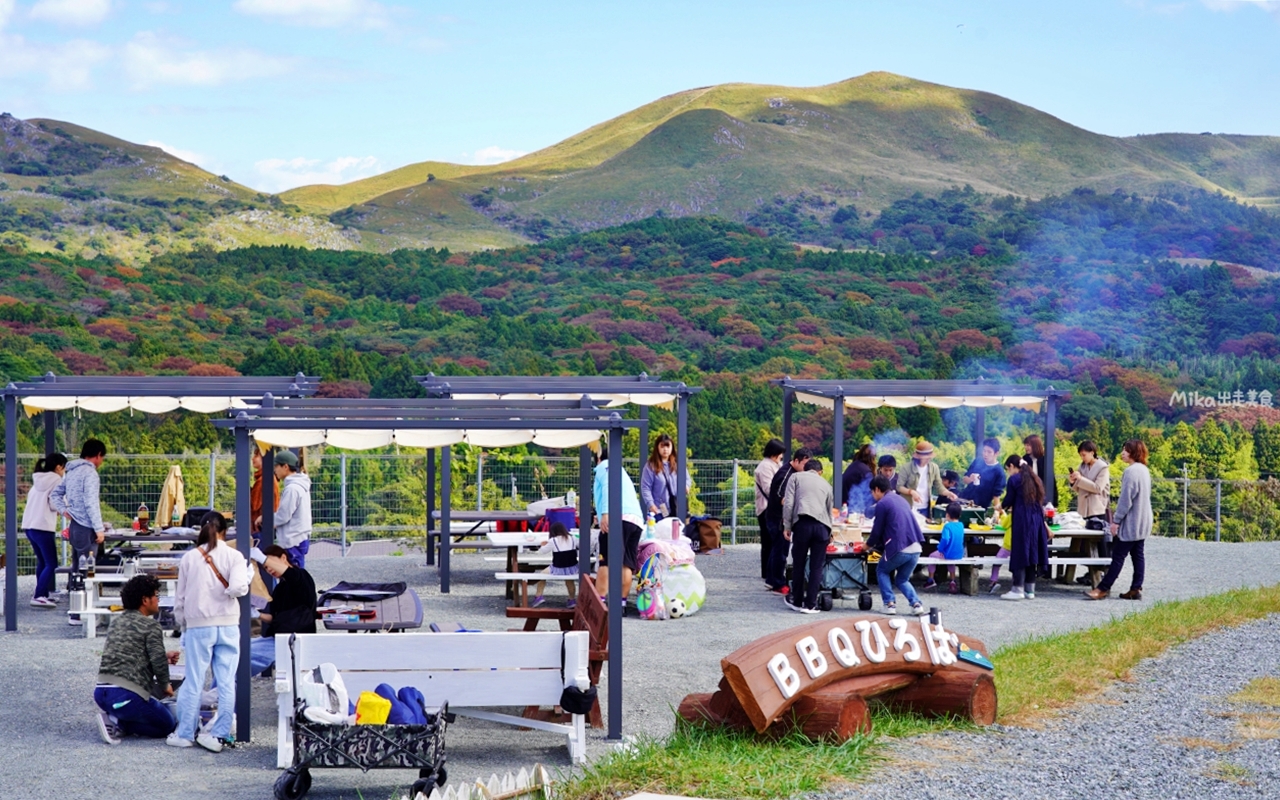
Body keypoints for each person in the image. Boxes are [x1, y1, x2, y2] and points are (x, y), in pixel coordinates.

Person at [170, 512, 249, 752]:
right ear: (225, 531)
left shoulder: (189, 558)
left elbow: (180, 599)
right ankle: (219, 735)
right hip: (228, 623)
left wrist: (183, 623)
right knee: (226, 681)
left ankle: (185, 733)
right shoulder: (235, 556)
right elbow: (238, 587)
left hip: (198, 625)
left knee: (194, 679)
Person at [93, 574, 180, 745]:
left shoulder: (117, 622)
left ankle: (114, 716)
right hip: (125, 696)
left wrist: (164, 656)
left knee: (151, 712)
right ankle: (120, 723)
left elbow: (128, 654)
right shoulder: (151, 626)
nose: (158, 600)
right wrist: (166, 686)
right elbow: (157, 662)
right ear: (145, 600)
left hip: (101, 693)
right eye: (156, 595)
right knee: (167, 725)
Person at [1087, 440, 1152, 601]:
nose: (1123, 453)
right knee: (1138, 555)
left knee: (1118, 555)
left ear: (1134, 452)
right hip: (1144, 519)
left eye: (1126, 450)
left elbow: (1125, 500)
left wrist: (1116, 521)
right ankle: (1135, 588)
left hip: (1132, 521)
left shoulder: (1131, 472)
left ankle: (1102, 588)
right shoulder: (1144, 470)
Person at [51, 439, 107, 625]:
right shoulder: (90, 473)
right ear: (98, 455)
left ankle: (75, 611)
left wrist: (64, 511)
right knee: (87, 571)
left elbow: (55, 494)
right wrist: (99, 529)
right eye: (102, 458)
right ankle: (82, 613)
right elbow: (91, 503)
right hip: (86, 526)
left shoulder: (71, 472)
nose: (101, 462)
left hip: (74, 526)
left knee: (76, 568)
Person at [249, 544, 317, 676]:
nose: (269, 569)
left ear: (283, 557)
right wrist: (257, 615)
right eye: (266, 568)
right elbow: (276, 618)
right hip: (278, 638)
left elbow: (292, 575)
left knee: (241, 656)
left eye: (270, 563)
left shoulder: (302, 576)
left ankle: (220, 692)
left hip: (295, 639)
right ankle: (219, 692)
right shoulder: (280, 588)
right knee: (236, 651)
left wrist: (263, 559)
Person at [592, 445, 644, 607]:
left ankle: (598, 604)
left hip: (617, 517)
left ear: (598, 458)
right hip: (635, 520)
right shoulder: (621, 470)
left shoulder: (604, 466)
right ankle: (621, 604)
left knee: (606, 561)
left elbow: (609, 485)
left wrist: (606, 513)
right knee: (626, 563)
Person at [867, 476, 927, 616]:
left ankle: (889, 604)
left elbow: (877, 530)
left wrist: (867, 545)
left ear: (877, 489)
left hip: (899, 547)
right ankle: (916, 604)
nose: (872, 495)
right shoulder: (901, 499)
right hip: (916, 547)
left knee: (882, 570)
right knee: (902, 579)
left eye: (872, 492)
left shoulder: (883, 503)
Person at [782, 459, 834, 614]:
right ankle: (811, 604)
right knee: (816, 567)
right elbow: (829, 511)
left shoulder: (796, 477)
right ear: (820, 472)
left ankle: (797, 601)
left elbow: (789, 504)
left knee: (798, 563)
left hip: (803, 524)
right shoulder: (826, 484)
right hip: (822, 528)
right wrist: (830, 532)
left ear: (805, 469)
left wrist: (787, 526)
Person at [998, 456, 1050, 601]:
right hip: (1037, 519)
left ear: (1012, 466)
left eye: (1008, 469)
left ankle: (1017, 589)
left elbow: (1008, 499)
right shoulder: (1035, 478)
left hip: (1022, 519)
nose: (1009, 472)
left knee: (1021, 551)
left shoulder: (1014, 480)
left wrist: (1000, 506)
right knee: (1032, 552)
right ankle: (1030, 590)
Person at [22, 452, 67, 608]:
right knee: (51, 563)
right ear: (58, 467)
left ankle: (43, 594)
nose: (64, 472)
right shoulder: (56, 481)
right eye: (64, 469)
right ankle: (39, 595)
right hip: (43, 527)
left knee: (42, 562)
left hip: (29, 526)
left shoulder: (38, 479)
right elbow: (55, 504)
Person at [764, 447, 811, 594]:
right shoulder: (786, 475)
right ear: (796, 461)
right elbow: (781, 498)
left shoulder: (792, 472)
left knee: (777, 549)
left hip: (777, 517)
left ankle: (772, 580)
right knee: (780, 551)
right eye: (804, 465)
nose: (806, 469)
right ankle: (778, 583)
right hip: (778, 518)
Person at [271, 450, 312, 569]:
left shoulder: (292, 489)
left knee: (293, 578)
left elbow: (283, 516)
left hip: (293, 540)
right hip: (300, 538)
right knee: (297, 576)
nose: (274, 470)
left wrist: (266, 520)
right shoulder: (301, 485)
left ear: (285, 467)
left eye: (276, 466)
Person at [987, 456, 1021, 594]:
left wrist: (1000, 513)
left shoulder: (1011, 516)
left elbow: (1004, 524)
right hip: (1018, 545)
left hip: (1007, 545)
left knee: (997, 562)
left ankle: (993, 581)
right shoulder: (1017, 515)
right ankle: (1015, 584)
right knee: (1016, 566)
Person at [754, 438, 786, 582]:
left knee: (770, 542)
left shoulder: (774, 464)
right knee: (769, 542)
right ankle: (767, 573)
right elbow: (769, 489)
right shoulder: (765, 467)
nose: (782, 456)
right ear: (774, 452)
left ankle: (769, 572)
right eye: (780, 453)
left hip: (768, 507)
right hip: (767, 508)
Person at [640, 433, 692, 522]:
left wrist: (686, 486)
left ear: (672, 447)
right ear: (657, 447)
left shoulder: (677, 464)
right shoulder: (650, 466)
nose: (665, 449)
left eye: (668, 446)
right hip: (660, 510)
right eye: (662, 446)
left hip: (677, 508)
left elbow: (687, 479)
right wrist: (651, 505)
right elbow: (645, 487)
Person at [897, 441, 957, 516]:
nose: (928, 459)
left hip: (925, 508)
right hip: (908, 507)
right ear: (918, 457)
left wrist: (949, 493)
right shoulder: (906, 468)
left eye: (930, 457)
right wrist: (911, 492)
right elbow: (899, 487)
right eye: (926, 458)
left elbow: (939, 486)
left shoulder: (934, 468)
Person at [532, 522, 578, 608]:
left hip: (558, 568)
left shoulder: (553, 541)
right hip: (573, 568)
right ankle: (572, 599)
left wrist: (542, 545)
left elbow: (543, 551)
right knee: (570, 581)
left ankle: (538, 596)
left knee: (542, 575)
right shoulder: (573, 538)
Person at [924, 502, 965, 593]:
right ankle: (953, 581)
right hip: (959, 554)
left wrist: (940, 548)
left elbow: (945, 539)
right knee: (951, 562)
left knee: (931, 556)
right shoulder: (961, 525)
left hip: (947, 553)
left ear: (947, 515)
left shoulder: (947, 526)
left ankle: (930, 579)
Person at [960, 438, 1007, 509]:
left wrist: (997, 513)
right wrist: (970, 479)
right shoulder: (978, 461)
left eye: (989, 452)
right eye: (984, 451)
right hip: (963, 501)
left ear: (996, 453)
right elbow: (964, 479)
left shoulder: (999, 472)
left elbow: (996, 496)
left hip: (980, 507)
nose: (985, 454)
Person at [250, 447, 281, 536]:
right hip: (267, 525)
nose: (253, 458)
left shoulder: (263, 480)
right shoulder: (270, 477)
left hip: (259, 527)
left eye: (256, 455)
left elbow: (254, 505)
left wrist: (244, 489)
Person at [842, 444, 876, 516]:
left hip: (844, 504)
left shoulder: (854, 465)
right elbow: (870, 493)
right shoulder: (866, 472)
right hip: (853, 507)